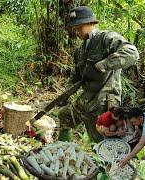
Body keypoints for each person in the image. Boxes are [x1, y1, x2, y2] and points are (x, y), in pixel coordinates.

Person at [58, 6, 139, 142]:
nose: (76, 31)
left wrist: (103, 65)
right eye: (74, 28)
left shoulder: (106, 38)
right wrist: (66, 93)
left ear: (92, 23)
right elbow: (75, 75)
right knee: (64, 116)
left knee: (101, 138)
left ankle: (106, 160)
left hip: (104, 100)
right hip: (87, 98)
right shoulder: (80, 50)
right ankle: (62, 150)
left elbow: (132, 53)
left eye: (79, 27)